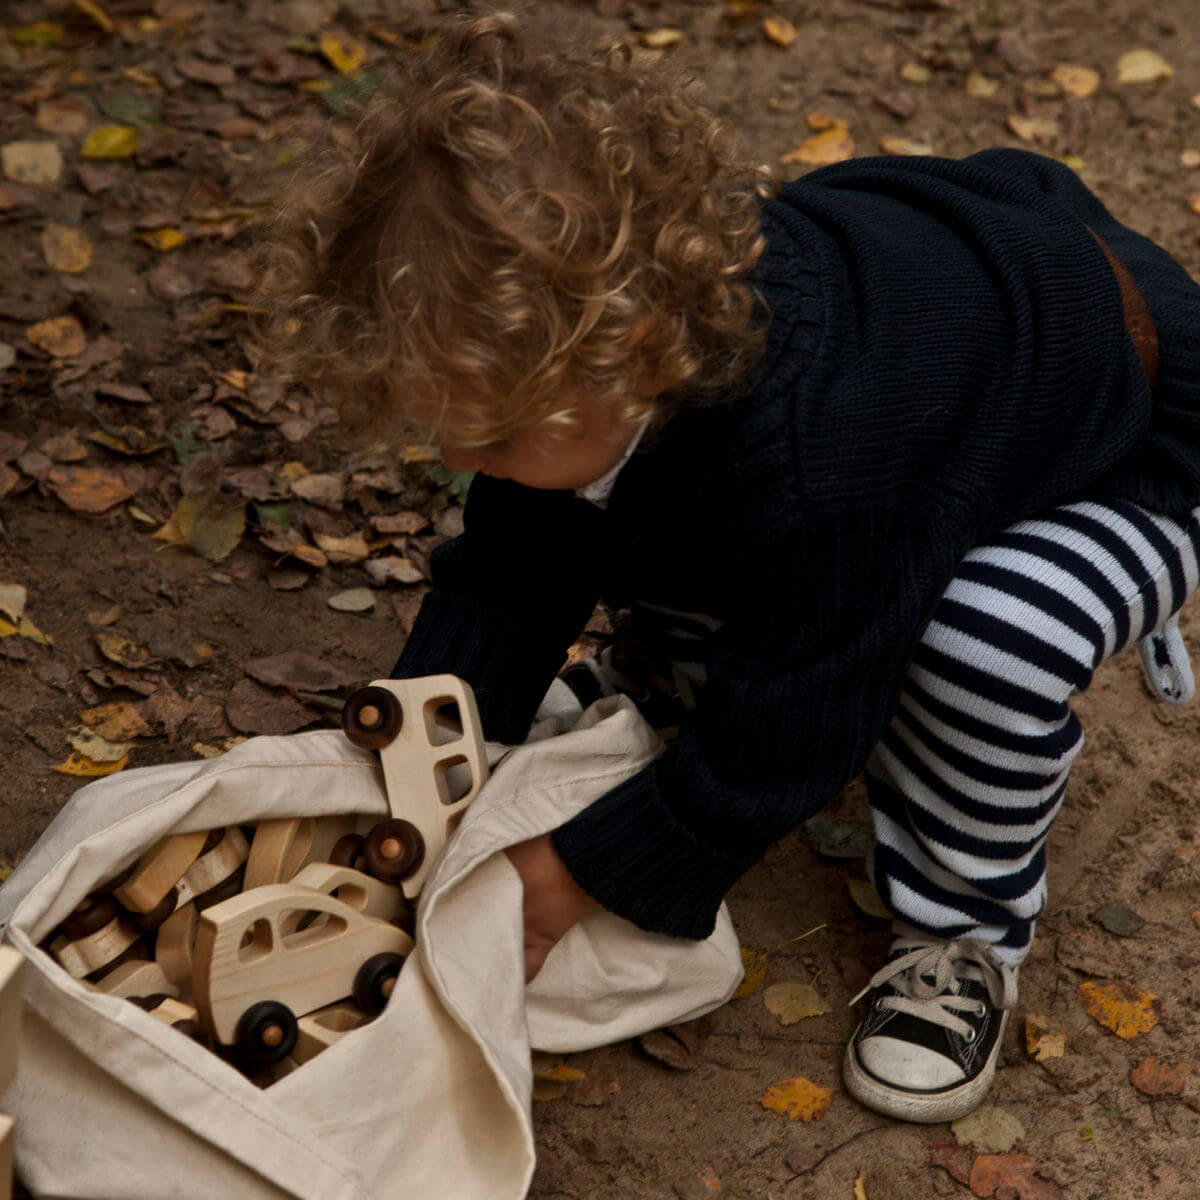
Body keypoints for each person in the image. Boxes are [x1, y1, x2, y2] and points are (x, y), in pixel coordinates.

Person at [253, 12, 1200, 1123]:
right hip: (953, 366)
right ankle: (676, 676)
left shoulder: (819, 459)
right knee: (650, 504)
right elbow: (516, 565)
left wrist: (569, 877)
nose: (466, 461)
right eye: (450, 433)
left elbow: (797, 729)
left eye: (495, 437)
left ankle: (964, 932)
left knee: (980, 641)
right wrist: (433, 728)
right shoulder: (599, 364)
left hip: (1124, 443)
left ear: (642, 351)